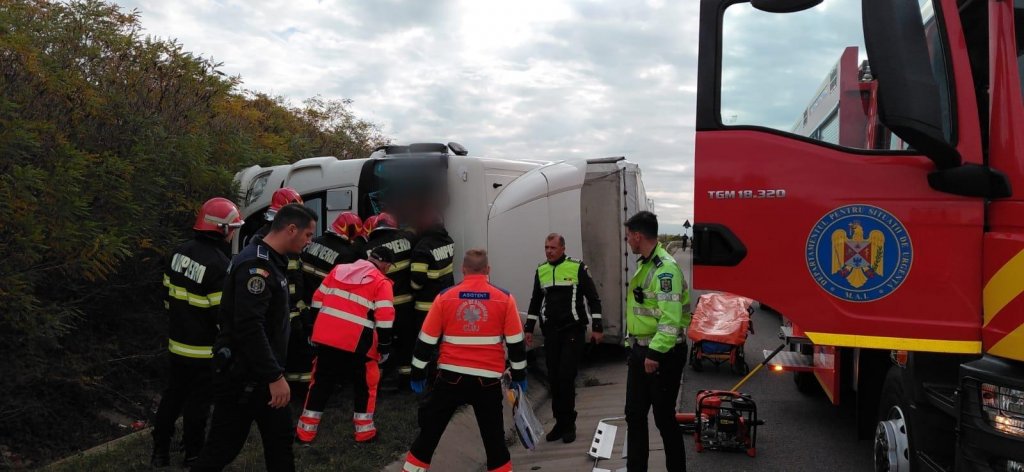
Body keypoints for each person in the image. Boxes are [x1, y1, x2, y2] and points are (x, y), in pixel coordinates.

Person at [189, 203, 317, 472]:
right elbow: (249, 326)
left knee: (280, 443)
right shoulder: (256, 265)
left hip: (262, 376)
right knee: (222, 449)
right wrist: (274, 376)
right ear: (291, 229)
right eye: (308, 235)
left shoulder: (272, 259)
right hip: (244, 380)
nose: (310, 242)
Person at [401, 249, 527, 472]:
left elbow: (426, 341)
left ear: (463, 270)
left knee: (429, 435)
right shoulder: (504, 299)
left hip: (450, 379)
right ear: (488, 270)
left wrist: (418, 372)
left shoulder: (445, 297)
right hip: (486, 382)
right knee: (494, 442)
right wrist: (519, 377)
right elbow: (516, 344)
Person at [150, 197, 242, 468]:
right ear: (222, 229)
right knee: (197, 404)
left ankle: (160, 452)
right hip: (203, 350)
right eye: (233, 227)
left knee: (172, 396)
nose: (234, 232)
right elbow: (221, 316)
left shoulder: (177, 253)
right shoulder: (219, 265)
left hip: (177, 344)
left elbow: (168, 298)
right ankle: (193, 453)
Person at [295, 246, 396, 445]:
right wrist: (384, 347)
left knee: (320, 384)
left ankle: (305, 433)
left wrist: (315, 329)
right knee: (365, 386)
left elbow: (317, 300)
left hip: (327, 339)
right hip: (358, 343)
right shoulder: (381, 282)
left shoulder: (338, 270)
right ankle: (364, 433)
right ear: (384, 263)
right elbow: (385, 319)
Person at [623, 211, 691, 472]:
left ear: (638, 236)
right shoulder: (647, 264)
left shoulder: (666, 270)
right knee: (635, 415)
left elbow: (670, 320)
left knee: (664, 420)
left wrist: (654, 354)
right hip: (641, 351)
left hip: (662, 355)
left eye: (629, 235)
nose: (628, 240)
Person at [523, 233, 602, 443]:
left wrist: (597, 326)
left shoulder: (577, 267)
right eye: (546, 247)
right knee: (555, 378)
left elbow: (593, 298)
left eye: (552, 248)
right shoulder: (541, 270)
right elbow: (535, 301)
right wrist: (529, 328)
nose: (549, 251)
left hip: (573, 330)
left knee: (566, 377)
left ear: (563, 248)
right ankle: (559, 422)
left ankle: (569, 424)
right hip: (552, 332)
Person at [251, 188, 312, 400]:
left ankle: (295, 395)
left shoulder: (266, 234)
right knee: (288, 355)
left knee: (296, 356)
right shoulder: (268, 240)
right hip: (281, 311)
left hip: (289, 310)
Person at [362, 212, 415, 389]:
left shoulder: (368, 248)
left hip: (382, 306)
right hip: (406, 304)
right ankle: (406, 380)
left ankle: (378, 380)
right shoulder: (407, 239)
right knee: (406, 342)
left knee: (382, 342)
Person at [406, 212, 455, 379]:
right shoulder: (449, 241)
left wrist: (410, 288)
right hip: (446, 302)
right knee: (442, 343)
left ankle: (429, 377)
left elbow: (417, 281)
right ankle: (444, 374)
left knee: (426, 344)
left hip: (426, 307)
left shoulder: (422, 248)